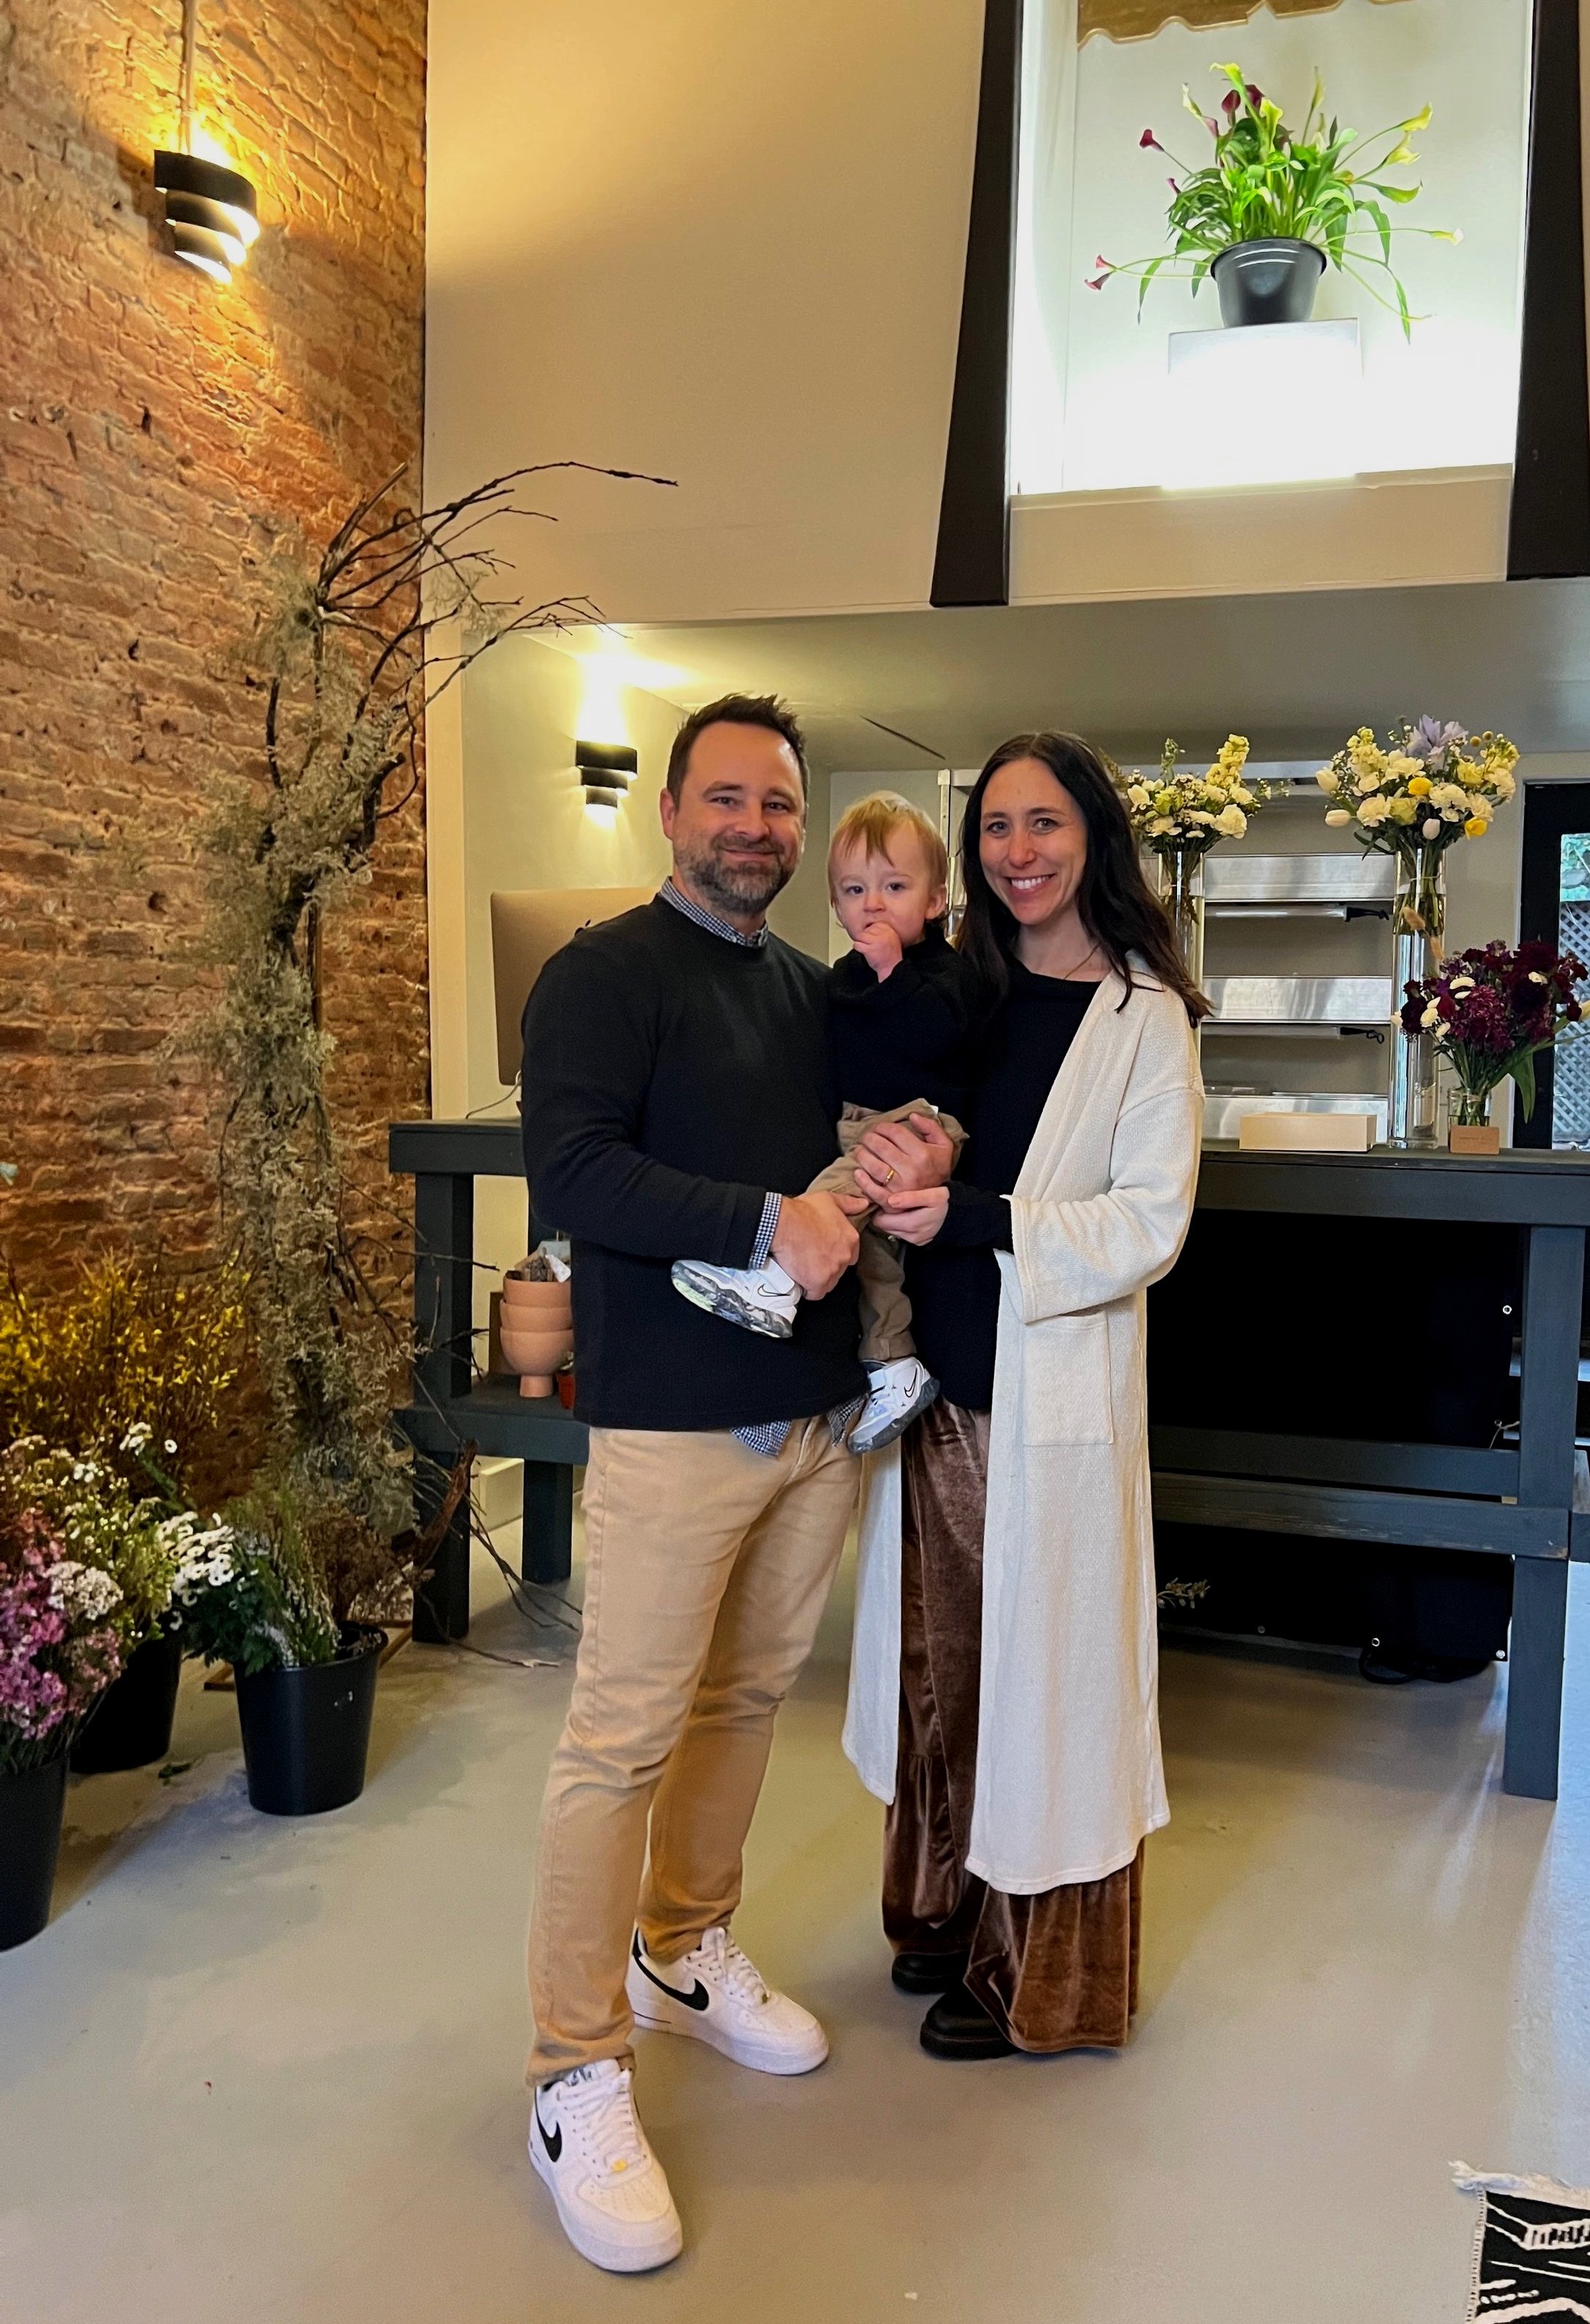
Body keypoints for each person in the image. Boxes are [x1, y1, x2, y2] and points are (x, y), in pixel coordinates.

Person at [518, 693, 950, 2273]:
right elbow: (569, 1173)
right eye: (724, 801)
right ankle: (572, 2066)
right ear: (671, 814)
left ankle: (681, 1947)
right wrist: (767, 1223)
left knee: (742, 1706)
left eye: (777, 804)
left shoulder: (802, 985)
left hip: (819, 1419)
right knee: (615, 1742)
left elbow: (859, 1139)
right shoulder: (603, 971)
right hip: (674, 1429)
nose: (754, 829)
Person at [842, 731, 1206, 2061]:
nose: (1018, 851)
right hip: (936, 1385)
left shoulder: (1144, 1015)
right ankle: (942, 1908)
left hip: (1042, 1404)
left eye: (1043, 822)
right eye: (995, 826)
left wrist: (978, 1212)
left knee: (1038, 1689)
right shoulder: (967, 991)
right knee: (941, 1675)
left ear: (1092, 836)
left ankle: (1036, 1971)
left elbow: (1150, 1219)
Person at [672, 790, 981, 1455]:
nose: (873, 904)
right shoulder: (837, 978)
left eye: (894, 886)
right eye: (853, 889)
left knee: (833, 1201)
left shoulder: (945, 973)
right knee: (872, 1263)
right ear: (835, 904)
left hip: (920, 1123)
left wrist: (893, 972)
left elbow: (940, 1037)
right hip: (856, 1124)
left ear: (934, 900)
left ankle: (776, 1280)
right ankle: (893, 1366)